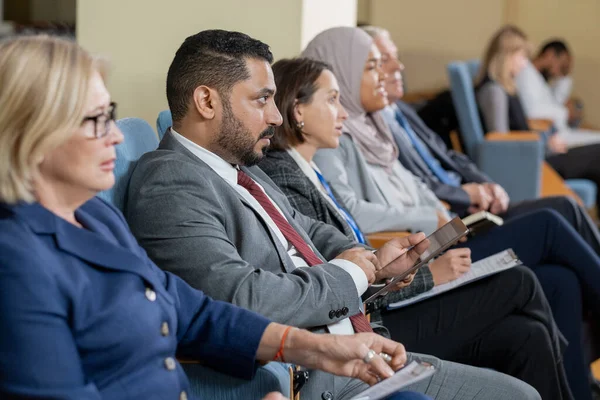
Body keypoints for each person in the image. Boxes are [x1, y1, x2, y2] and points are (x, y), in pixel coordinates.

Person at [126, 29, 561, 400]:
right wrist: (352, 274)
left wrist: (372, 260)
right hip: (321, 374)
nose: (276, 116)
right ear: (206, 101)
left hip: (358, 343)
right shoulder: (170, 181)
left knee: (523, 367)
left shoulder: (235, 165)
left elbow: (304, 226)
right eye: (262, 100)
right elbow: (243, 300)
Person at [0, 34, 435, 400]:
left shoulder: (96, 217)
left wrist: (314, 349)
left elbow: (195, 313)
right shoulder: (15, 262)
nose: (116, 136)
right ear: (31, 133)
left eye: (110, 116)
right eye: (96, 121)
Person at [302, 26, 600, 400]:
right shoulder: (336, 138)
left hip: (435, 236)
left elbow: (424, 177)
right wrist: (436, 216)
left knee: (562, 279)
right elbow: (352, 224)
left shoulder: (374, 125)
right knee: (548, 227)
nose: (387, 74)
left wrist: (452, 201)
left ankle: (582, 389)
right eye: (372, 67)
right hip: (415, 261)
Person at [360, 25, 600, 258]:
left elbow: (448, 156)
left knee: (562, 260)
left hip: (471, 202)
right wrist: (465, 195)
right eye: (382, 61)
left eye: (396, 58)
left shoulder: (401, 110)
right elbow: (414, 186)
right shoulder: (369, 128)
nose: (400, 67)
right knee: (561, 212)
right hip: (453, 214)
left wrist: (486, 184)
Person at [476, 25, 600, 211]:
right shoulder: (494, 92)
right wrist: (545, 144)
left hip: (535, 154)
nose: (525, 63)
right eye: (522, 56)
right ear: (506, 55)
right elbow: (501, 144)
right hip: (531, 163)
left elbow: (515, 132)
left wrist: (545, 140)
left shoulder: (504, 89)